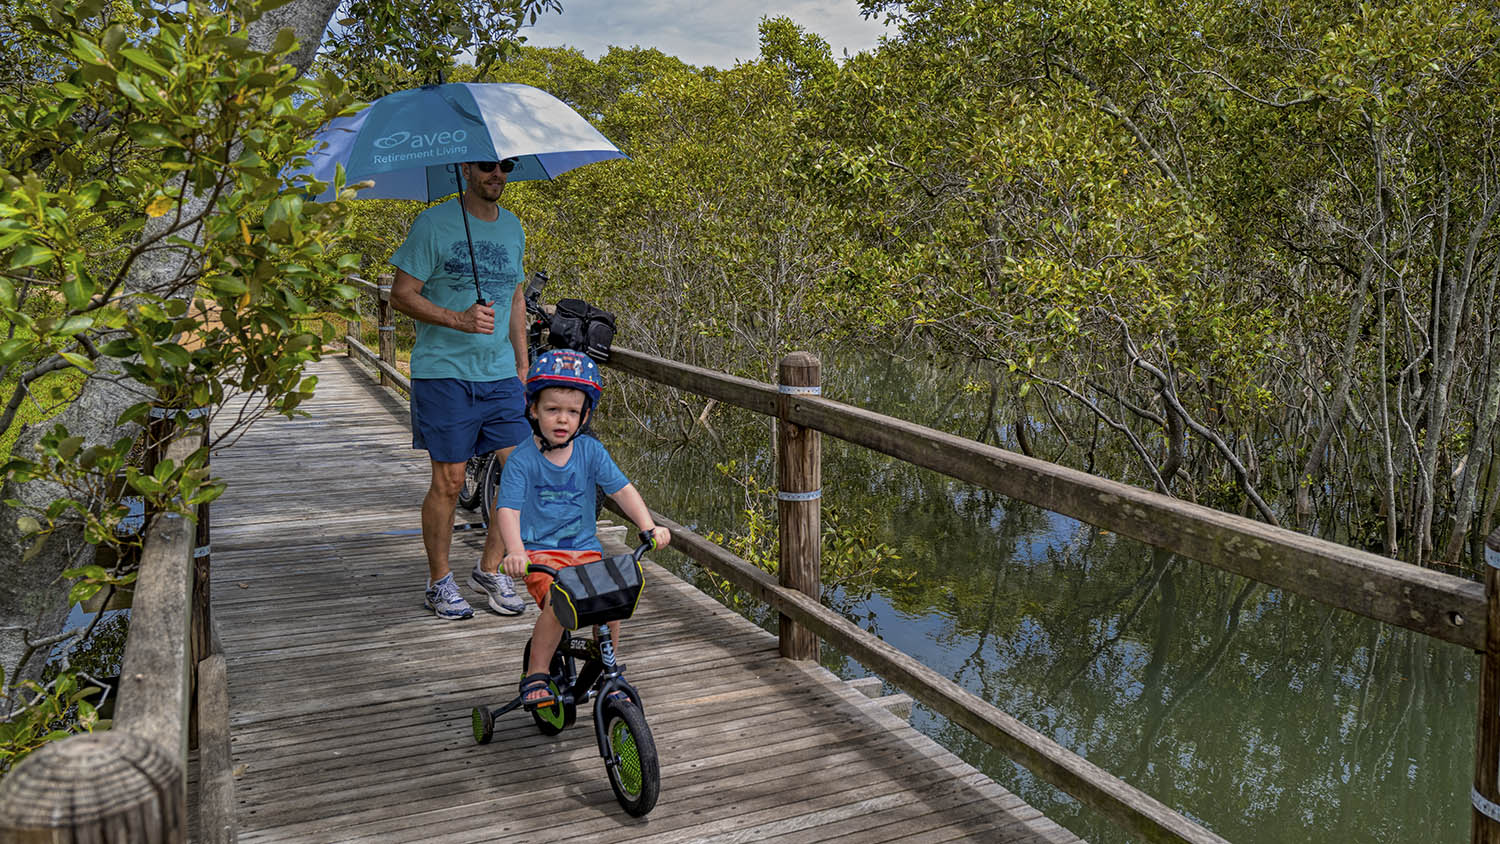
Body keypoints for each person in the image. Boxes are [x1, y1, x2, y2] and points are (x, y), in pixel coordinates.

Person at [390, 158, 530, 620]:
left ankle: (489, 569)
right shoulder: (433, 223)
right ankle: (439, 581)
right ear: (465, 170)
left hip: (500, 376)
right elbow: (402, 293)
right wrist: (458, 319)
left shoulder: (513, 229)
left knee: (522, 472)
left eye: (506, 166)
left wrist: (523, 366)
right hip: (444, 373)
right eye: (488, 166)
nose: (498, 174)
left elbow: (514, 299)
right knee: (449, 482)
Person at [497, 350, 670, 705]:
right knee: (559, 603)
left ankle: (604, 665)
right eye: (552, 409)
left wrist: (648, 526)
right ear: (533, 410)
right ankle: (537, 673)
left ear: (584, 415)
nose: (562, 419)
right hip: (542, 555)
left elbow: (621, 490)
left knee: (615, 597)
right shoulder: (522, 460)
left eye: (572, 412)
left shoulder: (590, 451)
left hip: (585, 552)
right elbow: (508, 510)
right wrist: (515, 551)